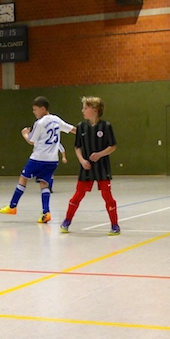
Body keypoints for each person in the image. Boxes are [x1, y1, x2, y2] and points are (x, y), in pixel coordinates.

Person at [0, 96, 76, 223]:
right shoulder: (56, 120)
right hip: (53, 160)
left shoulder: (40, 123)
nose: (34, 112)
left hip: (38, 158)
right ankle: (46, 212)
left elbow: (31, 141)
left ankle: (12, 206)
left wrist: (25, 134)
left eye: (35, 109)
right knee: (44, 183)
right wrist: (85, 134)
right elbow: (72, 129)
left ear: (43, 109)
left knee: (23, 178)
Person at [60, 96, 120, 236]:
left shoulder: (106, 126)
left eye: (85, 108)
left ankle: (115, 225)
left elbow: (112, 146)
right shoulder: (81, 126)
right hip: (86, 168)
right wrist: (82, 160)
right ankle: (67, 221)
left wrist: (100, 154)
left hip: (102, 168)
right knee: (77, 196)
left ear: (95, 110)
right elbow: (77, 147)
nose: (83, 111)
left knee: (107, 197)